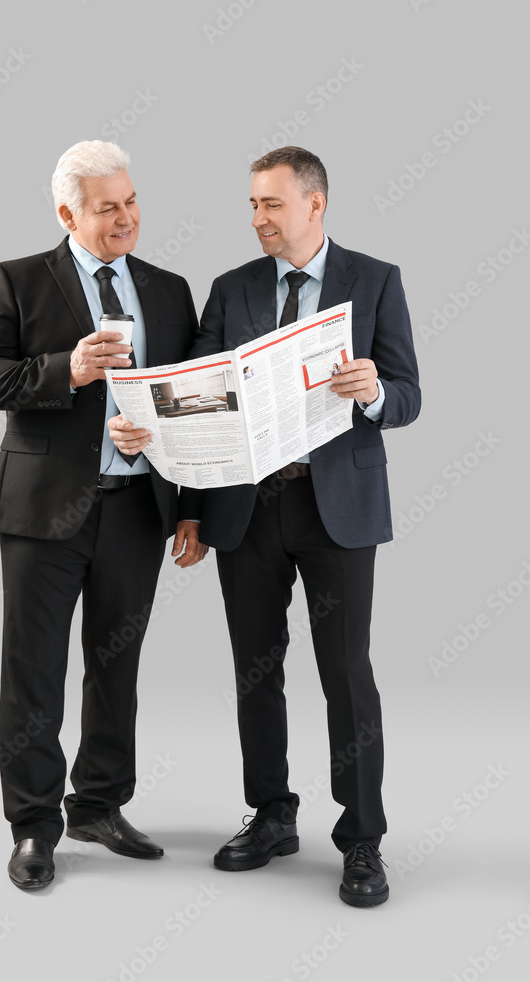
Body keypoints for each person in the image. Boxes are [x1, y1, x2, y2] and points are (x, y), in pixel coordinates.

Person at [109, 146, 420, 906]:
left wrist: (375, 391)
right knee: (255, 670)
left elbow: (408, 395)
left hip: (336, 509)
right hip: (245, 510)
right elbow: (189, 396)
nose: (257, 219)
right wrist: (182, 498)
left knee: (346, 675)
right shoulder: (233, 289)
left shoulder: (373, 281)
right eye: (251, 205)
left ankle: (363, 839)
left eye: (270, 205)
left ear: (315, 204)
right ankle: (271, 813)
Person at [0, 140, 206, 890]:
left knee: (115, 667)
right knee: (33, 672)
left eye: (132, 202)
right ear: (67, 212)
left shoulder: (167, 291)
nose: (126, 218)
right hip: (41, 513)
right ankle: (34, 827)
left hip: (136, 510)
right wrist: (64, 371)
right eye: (108, 208)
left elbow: (191, 402)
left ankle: (98, 804)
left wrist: (184, 497)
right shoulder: (18, 279)